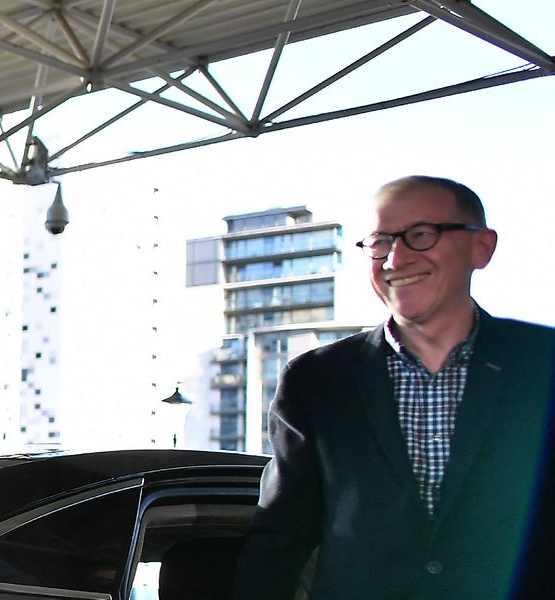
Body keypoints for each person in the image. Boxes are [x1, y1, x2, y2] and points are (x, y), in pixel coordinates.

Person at [232, 176, 555, 599]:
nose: (395, 259)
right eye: (380, 242)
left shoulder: (542, 363)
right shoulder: (316, 380)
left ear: (482, 247)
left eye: (421, 235)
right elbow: (279, 540)